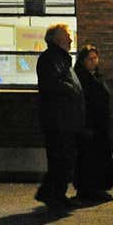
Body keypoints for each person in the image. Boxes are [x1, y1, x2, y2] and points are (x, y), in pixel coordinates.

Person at [34, 23, 86, 212]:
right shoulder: (50, 59)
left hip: (66, 120)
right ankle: (53, 195)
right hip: (58, 121)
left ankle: (56, 194)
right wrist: (72, 89)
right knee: (59, 159)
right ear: (56, 39)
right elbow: (53, 85)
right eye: (67, 35)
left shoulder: (61, 59)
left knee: (64, 160)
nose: (71, 39)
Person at [72, 43, 113, 202]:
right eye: (90, 59)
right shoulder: (81, 78)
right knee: (89, 157)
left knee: (98, 156)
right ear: (83, 61)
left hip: (100, 123)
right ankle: (89, 188)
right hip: (90, 123)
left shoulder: (95, 76)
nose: (94, 61)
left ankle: (96, 187)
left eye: (95, 58)